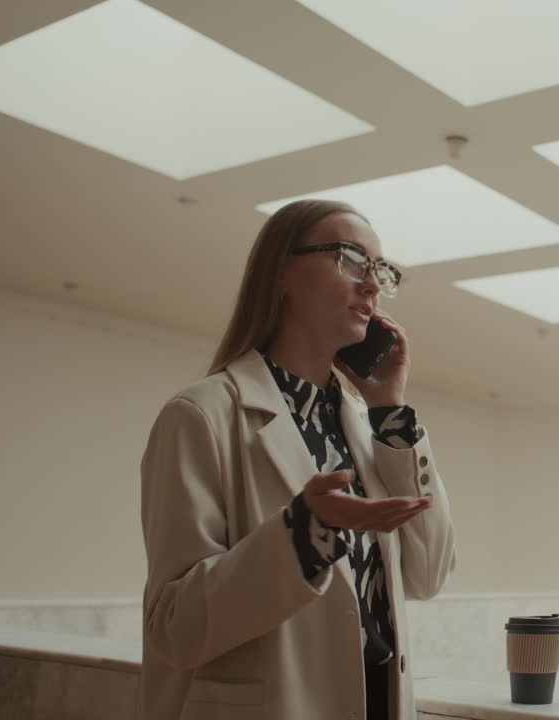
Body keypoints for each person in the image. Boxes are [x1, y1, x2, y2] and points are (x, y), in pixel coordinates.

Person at [139, 199, 456, 720]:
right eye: (352, 259)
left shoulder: (368, 425)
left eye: (381, 270)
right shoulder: (200, 416)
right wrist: (303, 538)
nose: (372, 285)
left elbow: (429, 575)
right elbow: (174, 627)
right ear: (280, 272)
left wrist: (390, 411)